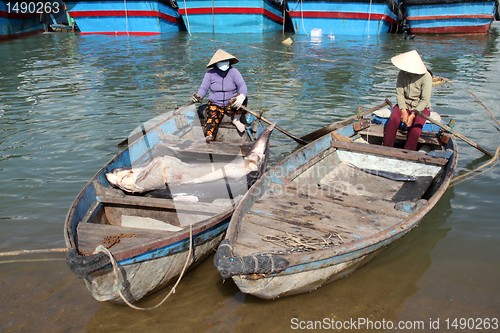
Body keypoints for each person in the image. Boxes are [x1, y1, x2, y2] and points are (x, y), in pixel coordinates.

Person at [192, 49, 248, 141]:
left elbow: (242, 85)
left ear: (229, 61)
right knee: (210, 121)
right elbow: (204, 88)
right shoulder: (210, 74)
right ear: (216, 63)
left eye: (225, 61)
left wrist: (241, 97)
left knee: (244, 97)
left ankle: (236, 120)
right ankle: (208, 137)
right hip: (215, 104)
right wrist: (199, 96)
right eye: (221, 61)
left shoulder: (234, 72)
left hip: (231, 104)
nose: (224, 63)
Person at [383, 50, 432, 151]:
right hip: (404, 104)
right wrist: (404, 111)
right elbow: (399, 94)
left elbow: (425, 100)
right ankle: (386, 148)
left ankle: (408, 151)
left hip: (420, 107)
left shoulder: (426, 77)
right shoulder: (402, 74)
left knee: (416, 128)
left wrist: (413, 114)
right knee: (393, 120)